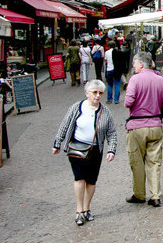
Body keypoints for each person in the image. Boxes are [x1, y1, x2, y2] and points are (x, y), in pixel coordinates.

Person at [52, 80, 117, 226]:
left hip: (95, 150)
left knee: (91, 180)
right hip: (77, 148)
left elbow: (112, 132)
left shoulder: (105, 111)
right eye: (94, 92)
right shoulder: (76, 107)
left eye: (100, 93)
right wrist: (57, 143)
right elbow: (64, 125)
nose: (97, 96)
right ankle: (79, 210)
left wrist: (111, 149)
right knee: (79, 178)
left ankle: (87, 208)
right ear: (87, 93)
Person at [124, 52, 163, 207]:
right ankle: (155, 196)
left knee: (137, 162)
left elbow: (128, 102)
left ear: (141, 64)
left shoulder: (135, 79)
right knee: (154, 162)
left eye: (135, 64)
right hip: (156, 125)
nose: (133, 66)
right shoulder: (160, 80)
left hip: (137, 126)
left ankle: (139, 194)